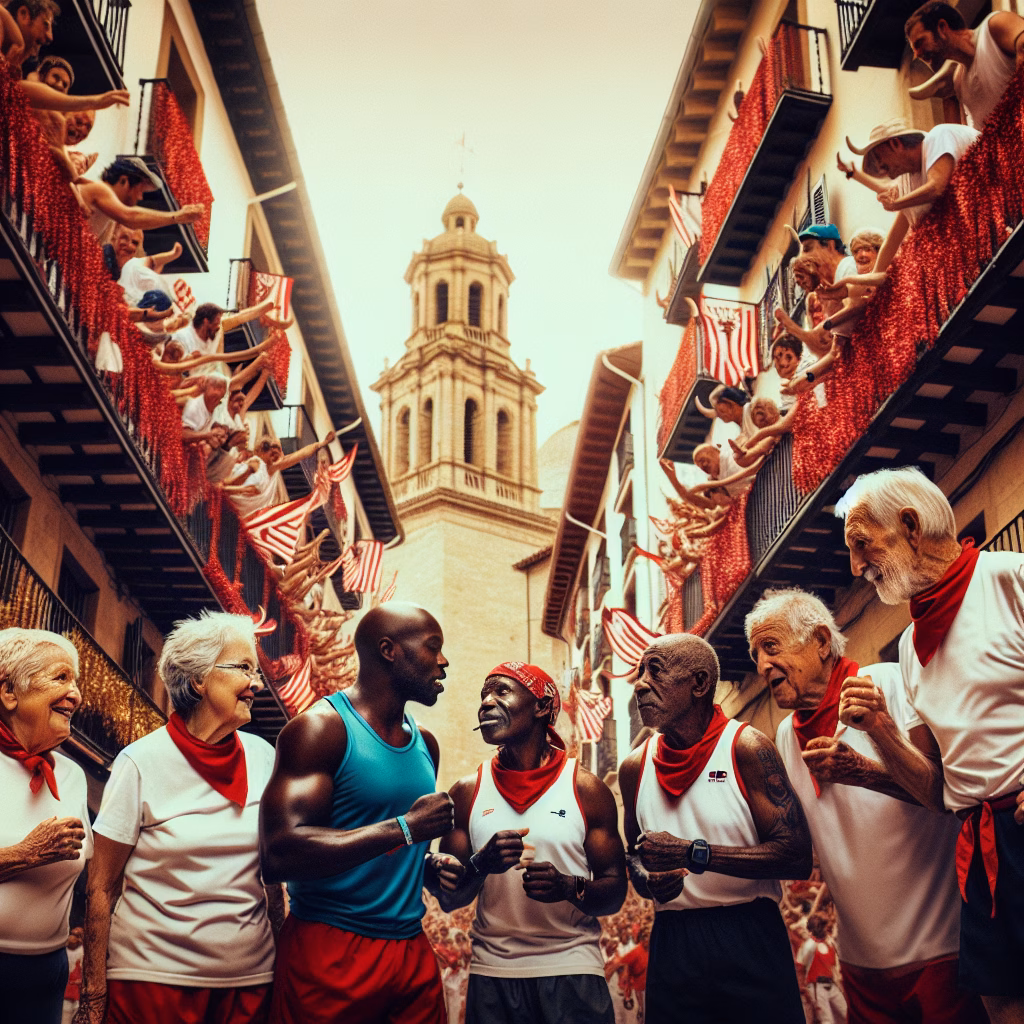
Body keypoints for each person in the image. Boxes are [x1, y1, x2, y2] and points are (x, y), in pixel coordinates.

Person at [834, 466, 1024, 1024]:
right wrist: (882, 731)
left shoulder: (1011, 579)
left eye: (862, 545)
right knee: (1005, 1006)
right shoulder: (912, 645)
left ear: (911, 526)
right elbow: (938, 790)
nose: (855, 567)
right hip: (980, 847)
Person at [745, 587, 986, 1024]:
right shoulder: (783, 736)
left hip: (944, 952)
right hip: (860, 966)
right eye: (755, 654)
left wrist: (867, 771)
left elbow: (948, 793)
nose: (762, 665)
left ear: (821, 642)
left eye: (771, 646)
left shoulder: (891, 682)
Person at [77, 612, 280, 1024]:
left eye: (255, 671)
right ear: (198, 680)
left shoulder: (265, 757)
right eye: (243, 668)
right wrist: (94, 997)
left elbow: (274, 877)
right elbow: (101, 887)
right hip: (150, 985)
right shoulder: (140, 762)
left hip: (250, 985)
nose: (256, 683)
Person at [260, 602, 456, 1024]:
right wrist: (406, 828)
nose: (443, 661)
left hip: (411, 950)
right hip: (330, 950)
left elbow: (390, 849)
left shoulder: (427, 744)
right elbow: (279, 853)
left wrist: (427, 866)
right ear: (389, 650)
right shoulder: (320, 729)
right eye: (432, 647)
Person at [617, 633, 812, 1023]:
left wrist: (693, 853)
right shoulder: (634, 768)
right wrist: (646, 879)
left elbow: (796, 855)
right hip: (673, 937)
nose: (640, 684)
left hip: (749, 931)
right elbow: (633, 856)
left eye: (655, 671)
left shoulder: (747, 747)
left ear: (700, 684)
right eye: (640, 673)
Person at [438, 661, 627, 1024]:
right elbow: (450, 898)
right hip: (493, 972)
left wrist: (568, 886)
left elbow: (615, 893)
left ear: (541, 706)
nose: (486, 703)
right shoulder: (466, 792)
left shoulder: (586, 789)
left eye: (501, 691)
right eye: (483, 695)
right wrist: (481, 864)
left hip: (573, 967)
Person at [0, 628, 91, 1024]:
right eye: (61, 677)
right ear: (8, 691)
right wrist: (24, 854)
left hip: (45, 973)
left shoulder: (72, 775)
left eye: (76, 681)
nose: (76, 694)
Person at [845, 119, 979, 273]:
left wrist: (896, 204)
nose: (880, 168)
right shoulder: (907, 182)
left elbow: (936, 187)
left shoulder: (939, 136)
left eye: (880, 159)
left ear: (895, 144)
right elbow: (894, 238)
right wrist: (874, 276)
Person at [905, 1, 1024, 130]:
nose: (917, 55)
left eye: (919, 43)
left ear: (942, 27)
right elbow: (972, 131)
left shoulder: (994, 26)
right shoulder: (959, 81)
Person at [79, 158, 204, 245]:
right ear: (124, 181)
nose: (140, 198)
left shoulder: (110, 218)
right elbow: (130, 217)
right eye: (140, 191)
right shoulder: (99, 189)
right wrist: (178, 216)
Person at [227, 432, 335, 520]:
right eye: (270, 451)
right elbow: (236, 484)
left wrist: (322, 443)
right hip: (231, 501)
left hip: (239, 511)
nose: (274, 454)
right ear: (260, 451)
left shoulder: (272, 467)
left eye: (277, 452)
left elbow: (301, 454)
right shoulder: (256, 463)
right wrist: (227, 488)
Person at [170, 300, 276, 361]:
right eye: (215, 323)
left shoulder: (215, 329)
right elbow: (179, 365)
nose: (217, 326)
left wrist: (268, 306)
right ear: (206, 322)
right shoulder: (182, 337)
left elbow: (239, 318)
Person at [797, 914, 846, 1024]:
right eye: (822, 927)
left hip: (831, 985)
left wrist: (839, 985)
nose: (825, 930)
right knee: (827, 1020)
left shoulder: (829, 944)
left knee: (845, 1013)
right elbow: (800, 967)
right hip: (817, 986)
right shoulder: (809, 945)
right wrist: (802, 989)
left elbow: (833, 968)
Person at [62, 927, 84, 1024]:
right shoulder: (63, 951)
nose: (72, 938)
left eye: (76, 936)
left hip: (77, 991)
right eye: (72, 934)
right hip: (65, 990)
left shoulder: (82, 952)